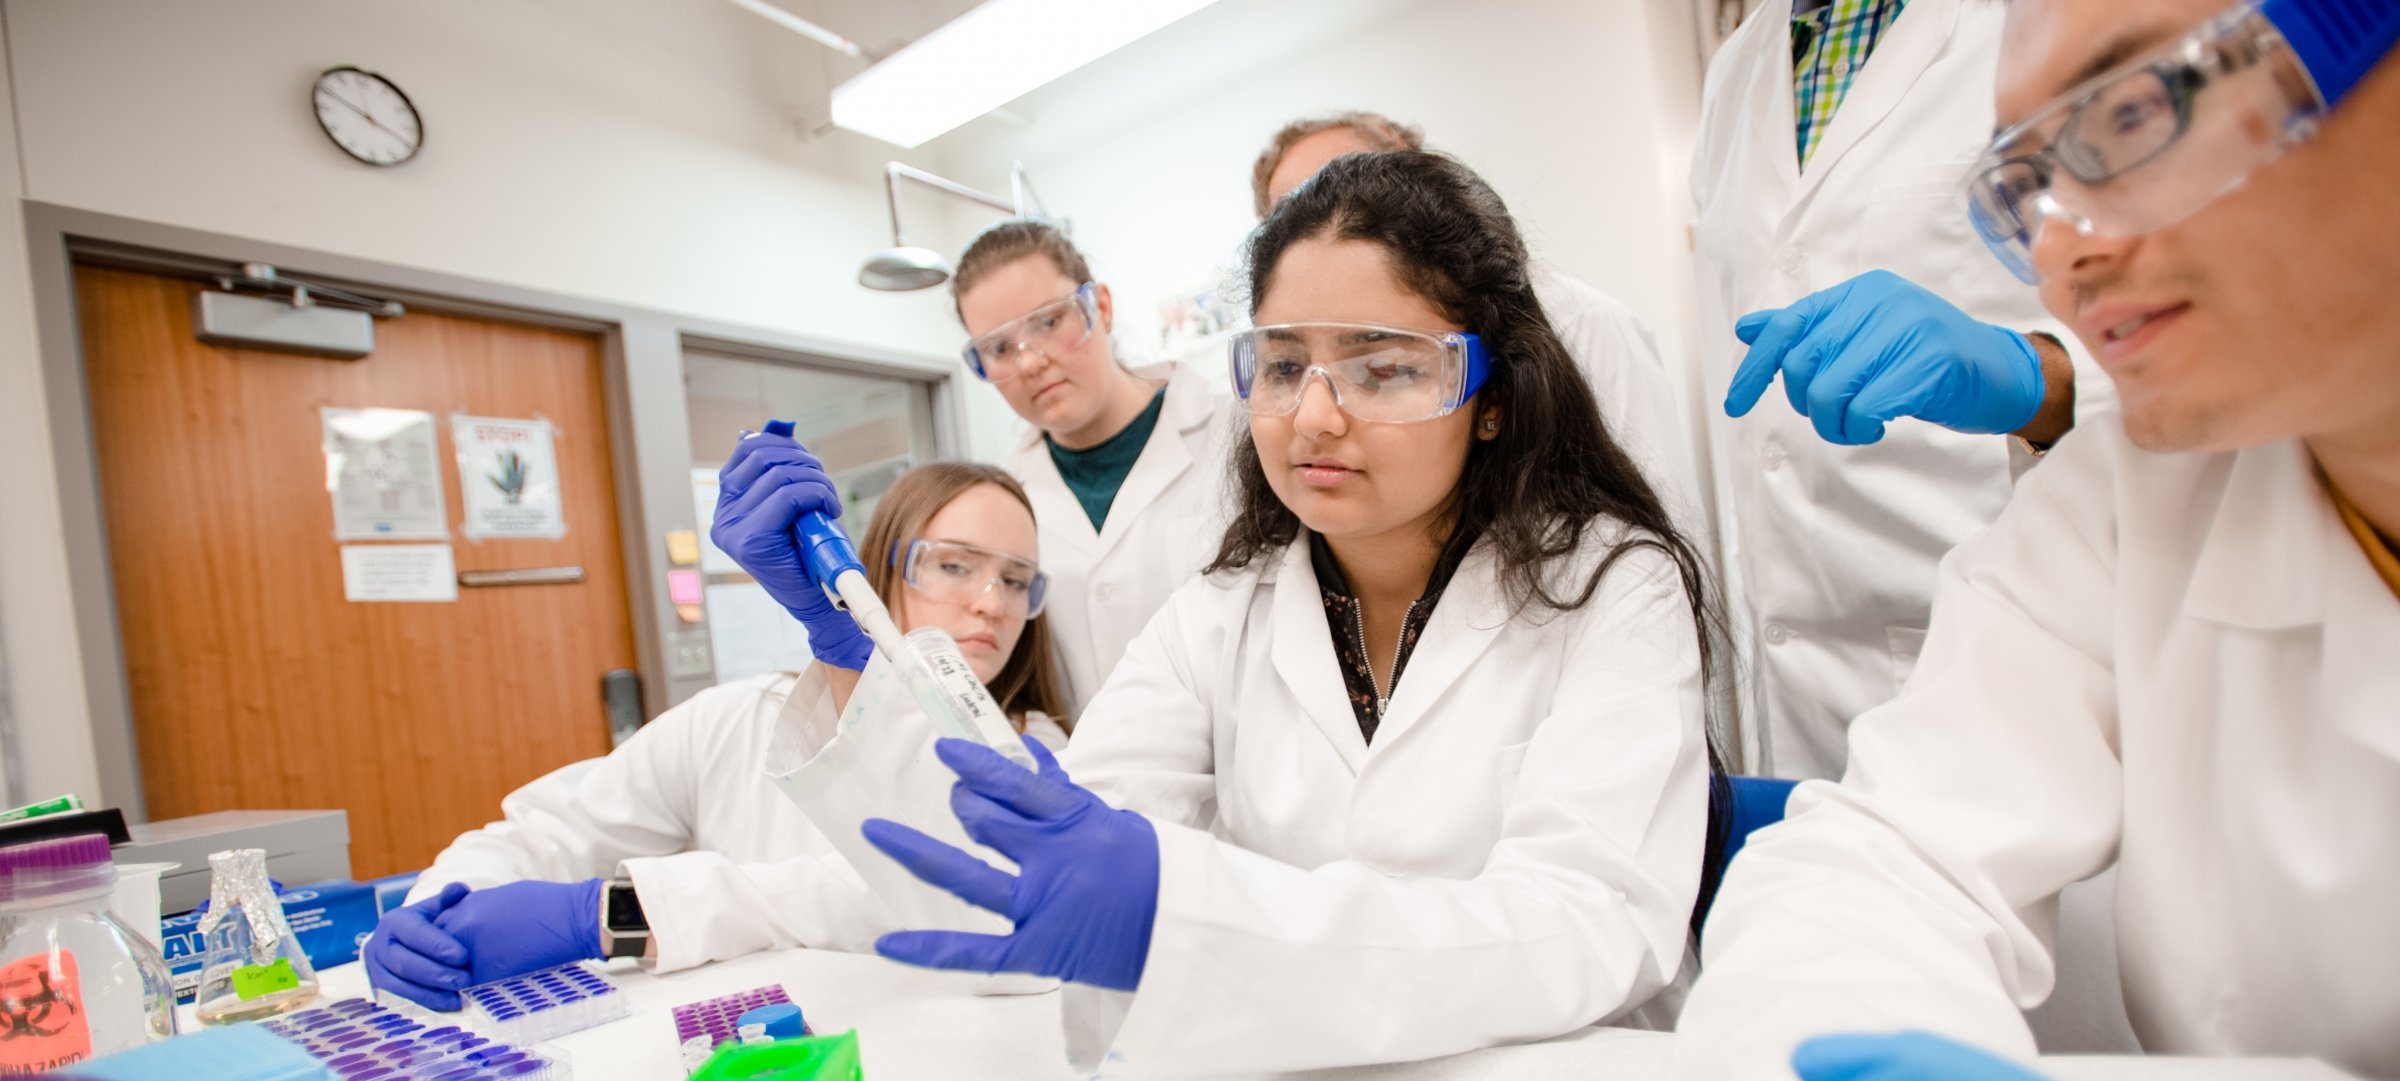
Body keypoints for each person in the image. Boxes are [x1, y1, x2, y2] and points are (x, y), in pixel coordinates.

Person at [733, 150, 1727, 1073]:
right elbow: (1016, 882)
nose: (1315, 414)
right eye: (1286, 364)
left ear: (1493, 393)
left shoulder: (1612, 583)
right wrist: (847, 642)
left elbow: (1593, 923)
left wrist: (1185, 916)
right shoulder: (1220, 612)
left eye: (1384, 367)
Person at [1677, 0, 2400, 1075]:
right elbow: (1883, 862)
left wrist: (2037, 372)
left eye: (2136, 115)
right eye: (2021, 189)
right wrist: (1834, 1028)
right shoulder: (2124, 509)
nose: (2056, 255)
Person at [360, 461, 1071, 1010]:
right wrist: (441, 906)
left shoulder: (1053, 760)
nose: (991, 602)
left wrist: (609, 914)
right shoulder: (735, 719)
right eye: (955, 564)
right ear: (876, 569)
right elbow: (549, 828)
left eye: (1017, 580)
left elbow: (871, 895)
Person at [1693, 0, 2111, 783]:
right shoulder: (1736, 69)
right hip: (1787, 691)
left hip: (2014, 654)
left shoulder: (2039, 22)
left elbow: (2219, 328)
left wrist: (2033, 374)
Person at [1253, 112, 1709, 538]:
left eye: (1387, 368)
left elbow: (1658, 519)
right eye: (1291, 210)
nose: (1323, 216)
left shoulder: (1581, 321)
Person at [950, 222, 1237, 714]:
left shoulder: (1236, 433)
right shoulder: (1004, 501)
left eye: (1048, 322)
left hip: (1243, 775)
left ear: (1100, 308)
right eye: (999, 348)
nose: (1030, 362)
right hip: (1088, 780)